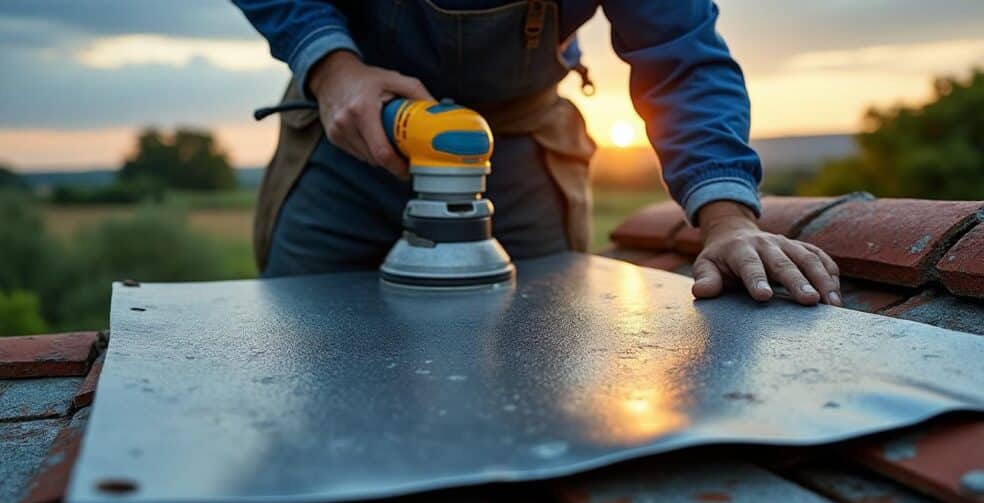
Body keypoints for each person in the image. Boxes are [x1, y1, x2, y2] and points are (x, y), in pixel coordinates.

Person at [232, 1, 843, 306]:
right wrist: (331, 66)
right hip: (353, 133)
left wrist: (729, 219)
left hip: (520, 152)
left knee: (539, 351)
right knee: (306, 337)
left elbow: (681, 58)